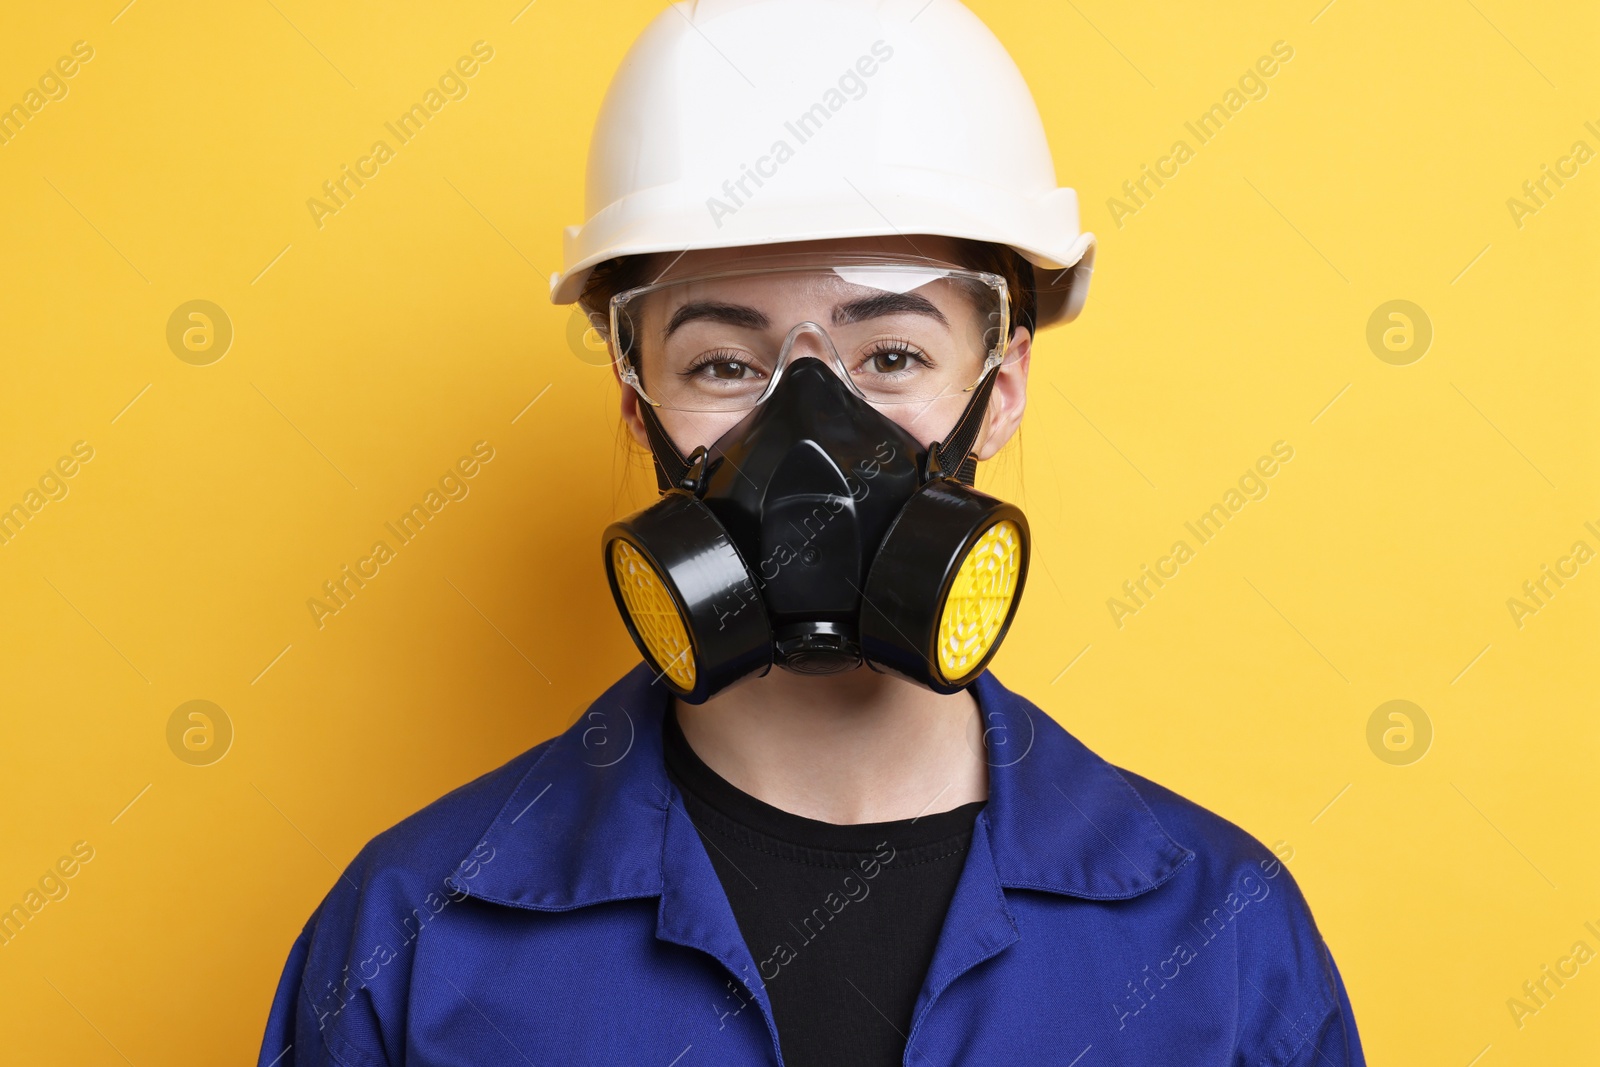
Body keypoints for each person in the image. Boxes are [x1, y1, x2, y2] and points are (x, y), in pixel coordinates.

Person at [258, 2, 1365, 1064]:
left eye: (890, 355)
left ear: (1005, 380)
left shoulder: (1219, 936)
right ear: (635, 400)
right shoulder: (417, 934)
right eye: (723, 365)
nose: (809, 437)